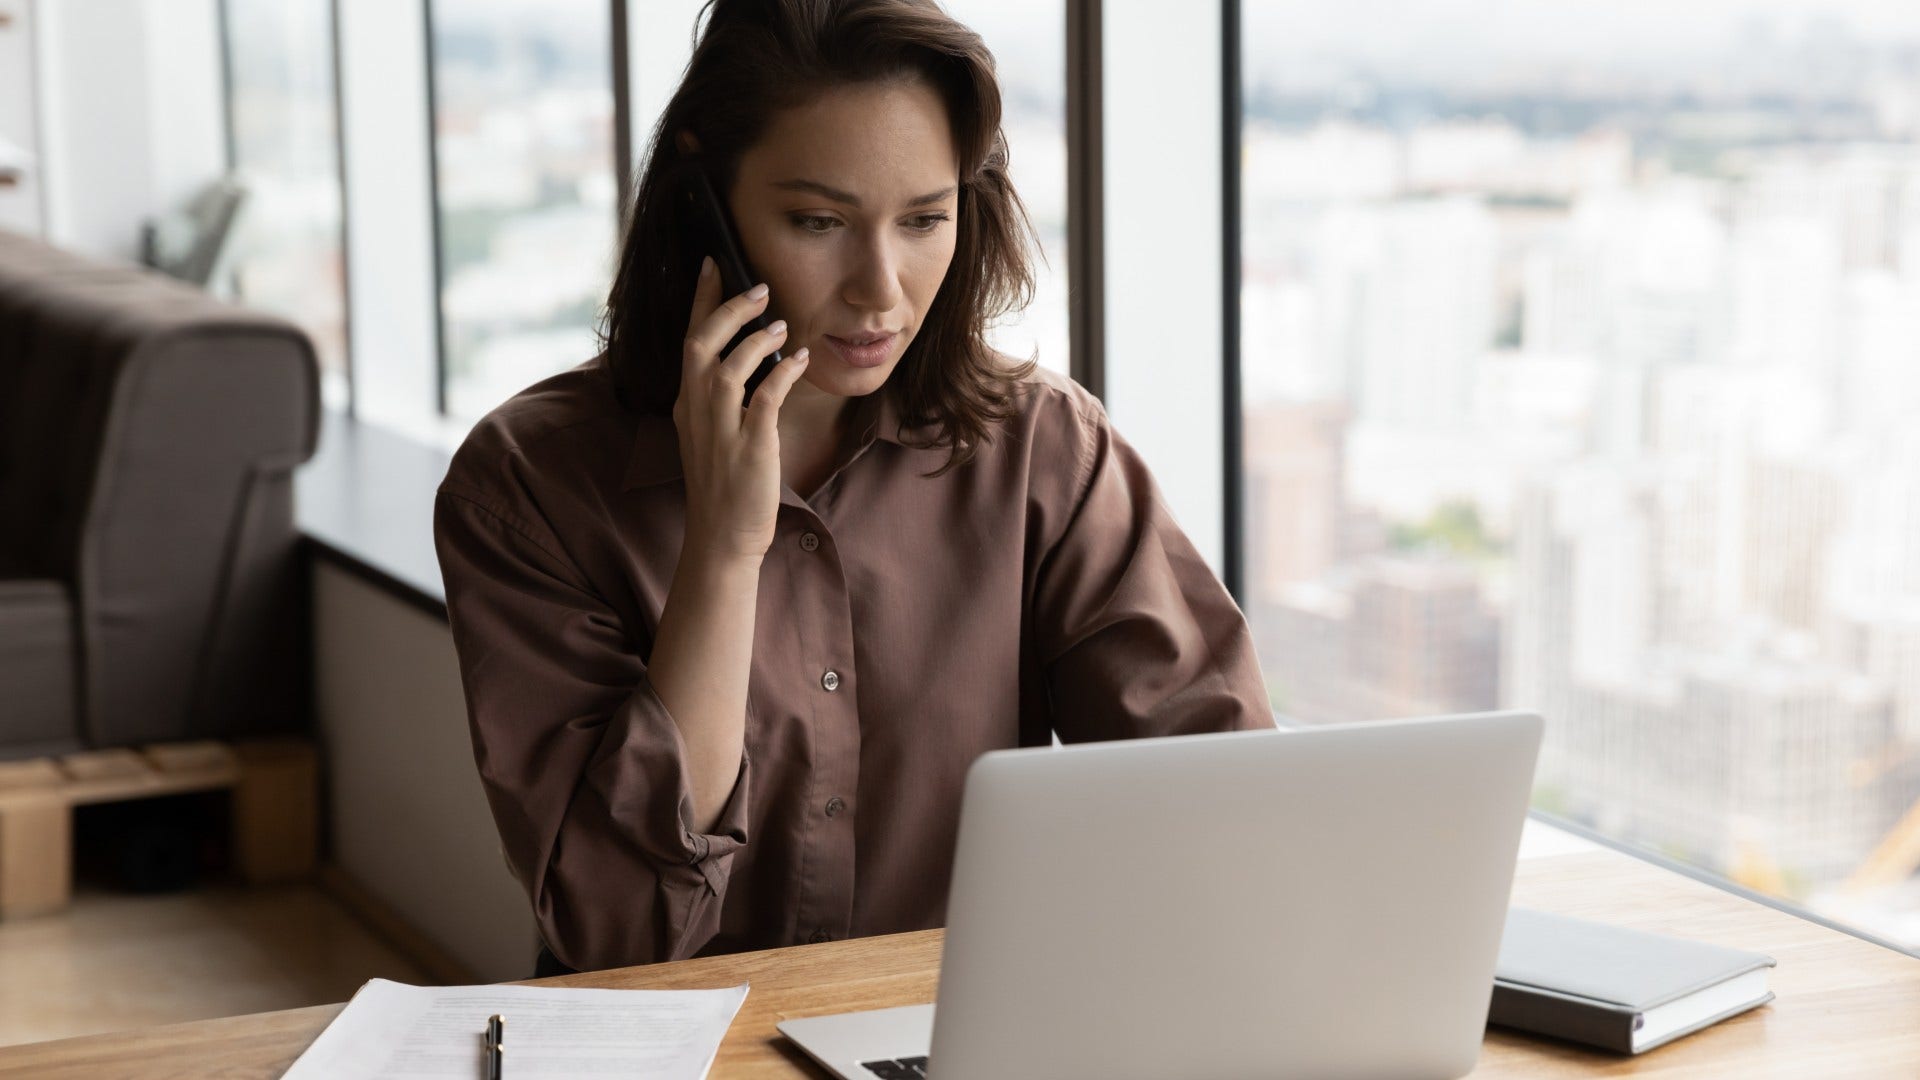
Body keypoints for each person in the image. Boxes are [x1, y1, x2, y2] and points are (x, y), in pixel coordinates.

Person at [433, 0, 1274, 978]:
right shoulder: (529, 487)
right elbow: (621, 935)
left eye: (924, 219)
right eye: (819, 221)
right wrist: (723, 550)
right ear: (706, 200)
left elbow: (1222, 811)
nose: (881, 289)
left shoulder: (1044, 449)